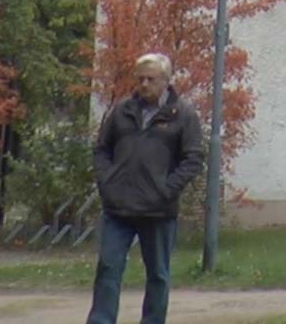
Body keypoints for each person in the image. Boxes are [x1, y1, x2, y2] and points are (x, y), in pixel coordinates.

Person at [87, 52, 204, 324]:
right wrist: (107, 181)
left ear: (165, 81)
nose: (144, 84)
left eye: (151, 79)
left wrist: (166, 189)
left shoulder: (182, 115)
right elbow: (102, 150)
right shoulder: (121, 111)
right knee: (108, 268)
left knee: (158, 274)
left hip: (158, 210)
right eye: (140, 78)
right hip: (119, 207)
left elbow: (193, 159)